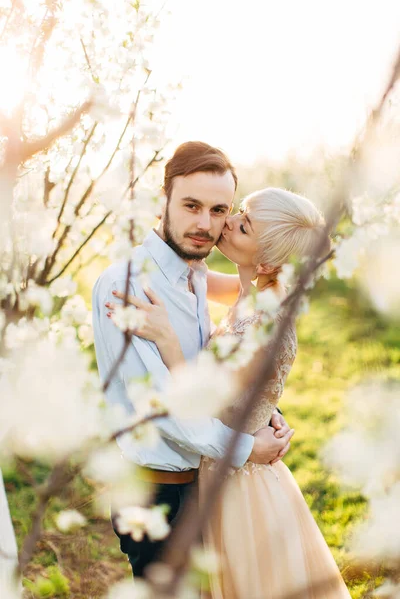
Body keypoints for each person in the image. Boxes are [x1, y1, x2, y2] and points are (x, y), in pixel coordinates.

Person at [107, 187, 351, 598]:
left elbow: (203, 400)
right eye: (240, 211)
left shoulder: (265, 323)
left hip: (242, 487)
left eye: (244, 224)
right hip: (219, 463)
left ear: (269, 260)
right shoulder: (248, 290)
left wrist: (166, 337)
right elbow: (191, 277)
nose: (229, 222)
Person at [92, 142, 294, 578]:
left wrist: (263, 411)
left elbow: (225, 368)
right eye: (191, 205)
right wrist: (248, 448)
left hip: (206, 486)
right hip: (157, 496)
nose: (206, 224)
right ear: (163, 199)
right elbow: (162, 409)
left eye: (220, 209)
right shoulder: (128, 289)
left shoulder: (195, 271)